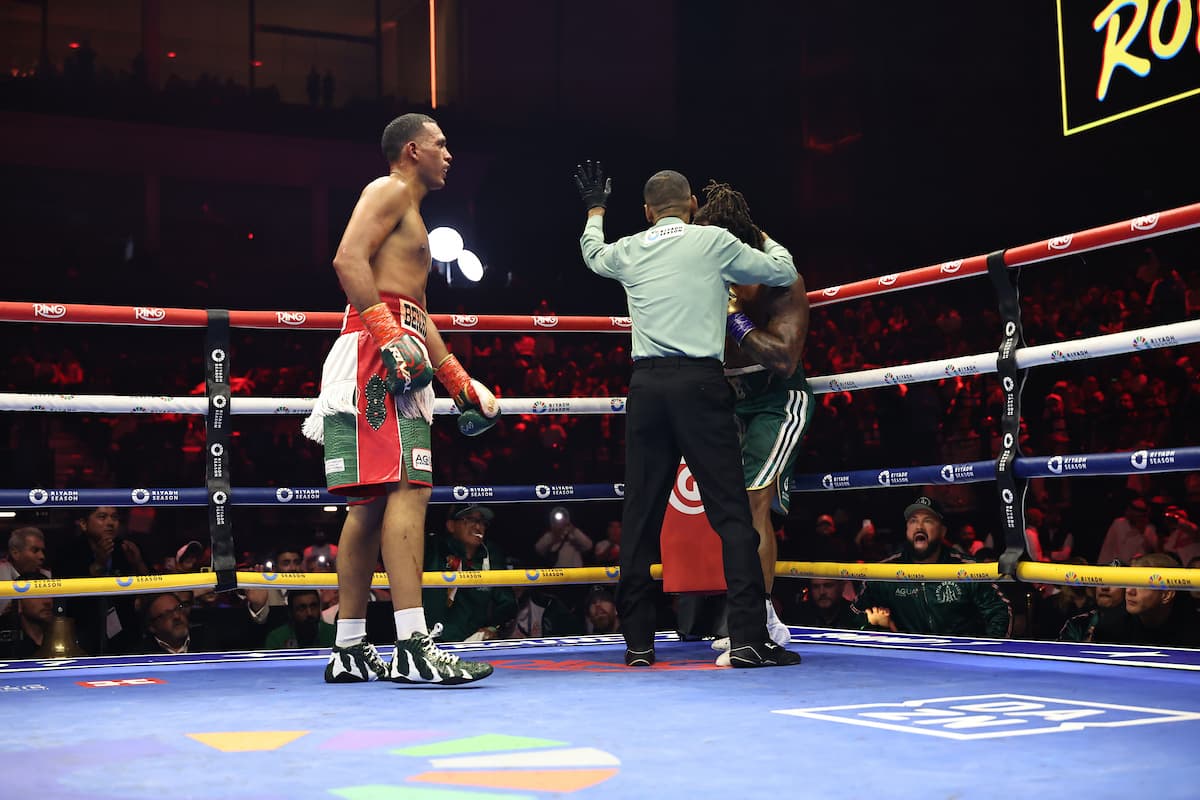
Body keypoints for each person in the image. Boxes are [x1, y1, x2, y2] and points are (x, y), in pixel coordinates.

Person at [576, 161, 801, 668]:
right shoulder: (713, 242)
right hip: (701, 385)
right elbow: (783, 270)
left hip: (648, 388)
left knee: (640, 516)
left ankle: (637, 645)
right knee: (731, 514)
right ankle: (745, 639)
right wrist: (759, 233)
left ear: (648, 211)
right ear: (693, 206)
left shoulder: (630, 248)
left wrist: (595, 210)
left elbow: (592, 255)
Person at [302, 112, 497, 685]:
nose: (449, 154)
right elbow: (346, 259)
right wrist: (387, 336)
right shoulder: (387, 190)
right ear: (412, 150)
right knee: (411, 488)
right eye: (440, 144)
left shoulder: (413, 216)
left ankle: (351, 647)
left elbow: (415, 311)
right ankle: (413, 644)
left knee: (368, 506)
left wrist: (457, 379)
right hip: (375, 355)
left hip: (388, 349)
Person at [693, 180, 813, 653]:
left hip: (777, 400)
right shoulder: (711, 271)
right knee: (736, 511)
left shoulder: (780, 277)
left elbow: (784, 357)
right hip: (731, 401)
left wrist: (732, 317)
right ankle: (759, 619)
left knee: (751, 503)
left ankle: (757, 623)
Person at [850, 496, 1012, 638]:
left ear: (942, 531)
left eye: (927, 520)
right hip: (908, 660)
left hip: (960, 660)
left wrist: (985, 653)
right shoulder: (886, 571)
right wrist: (871, 622)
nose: (919, 527)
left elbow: (999, 610)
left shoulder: (966, 568)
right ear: (907, 530)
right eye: (913, 521)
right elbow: (854, 613)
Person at [422, 504, 517, 642]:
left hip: (473, 643)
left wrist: (492, 628)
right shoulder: (433, 548)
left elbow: (507, 603)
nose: (478, 527)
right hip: (430, 642)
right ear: (451, 525)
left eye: (482, 522)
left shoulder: (490, 556)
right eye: (470, 520)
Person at [0, 527, 51, 615]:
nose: (42, 556)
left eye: (42, 551)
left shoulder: (46, 575)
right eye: (35, 550)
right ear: (15, 553)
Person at [264, 590, 335, 649]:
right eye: (302, 608)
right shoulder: (276, 638)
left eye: (313, 606)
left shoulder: (334, 633)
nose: (309, 613)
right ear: (290, 612)